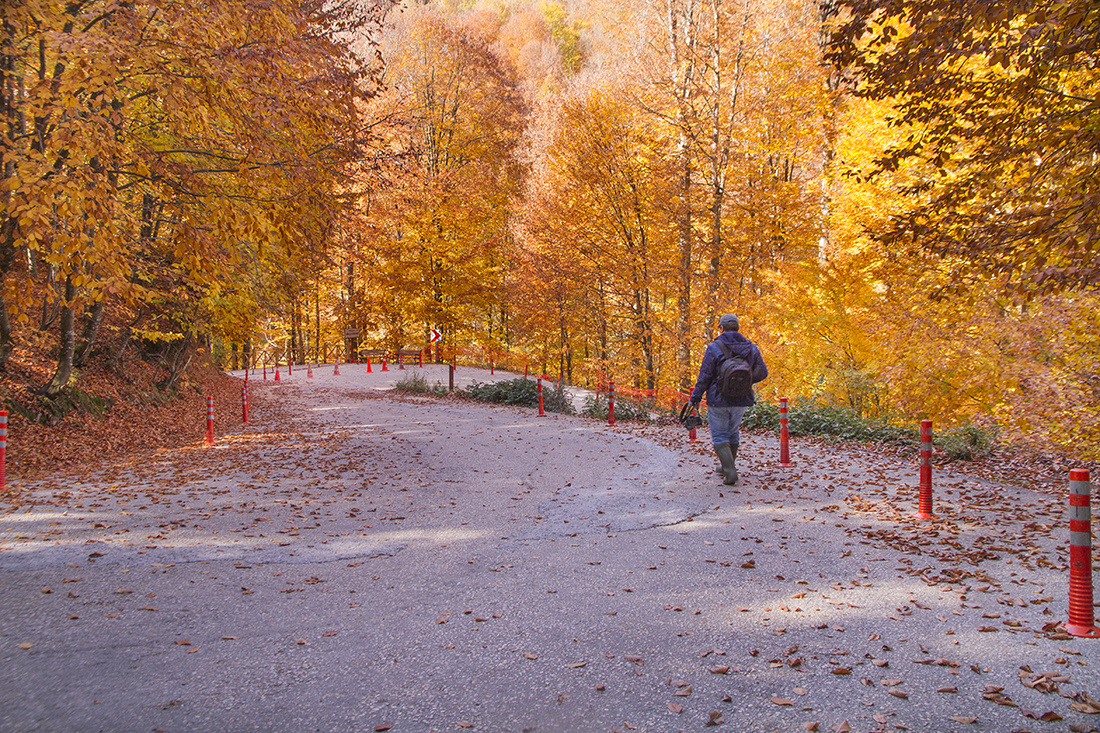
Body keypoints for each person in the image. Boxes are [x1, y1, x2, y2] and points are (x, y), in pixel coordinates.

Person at [689, 313, 768, 485]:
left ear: (722, 328)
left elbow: (705, 375)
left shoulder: (715, 347)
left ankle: (730, 471)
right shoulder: (750, 348)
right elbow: (763, 372)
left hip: (718, 399)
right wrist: (745, 381)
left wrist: (695, 397)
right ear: (737, 328)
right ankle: (726, 466)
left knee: (719, 435)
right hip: (741, 399)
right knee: (732, 432)